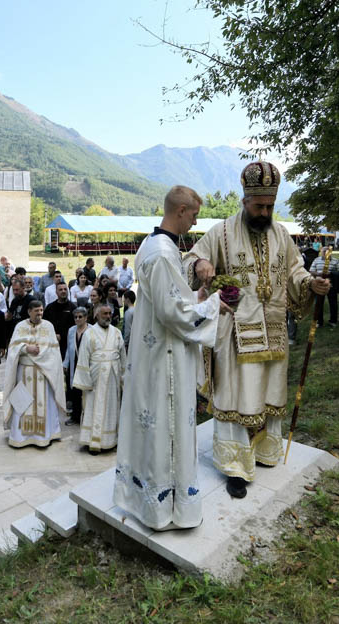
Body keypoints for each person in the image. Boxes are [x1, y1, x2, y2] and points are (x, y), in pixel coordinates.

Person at [186, 163, 329, 499]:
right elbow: (191, 257)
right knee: (239, 396)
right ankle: (235, 466)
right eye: (259, 206)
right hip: (236, 332)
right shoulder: (221, 232)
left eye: (270, 206)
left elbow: (294, 270)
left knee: (269, 393)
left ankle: (264, 452)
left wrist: (310, 283)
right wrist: (200, 265)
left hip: (275, 328)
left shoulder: (280, 234)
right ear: (245, 199)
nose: (265, 212)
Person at [114, 186, 222, 530]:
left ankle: (150, 499)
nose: (195, 221)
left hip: (153, 350)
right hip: (165, 358)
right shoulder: (162, 252)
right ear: (180, 210)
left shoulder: (152, 243)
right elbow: (172, 312)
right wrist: (215, 305)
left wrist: (196, 294)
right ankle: (164, 508)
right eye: (193, 215)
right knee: (166, 427)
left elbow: (169, 295)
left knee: (154, 426)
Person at [0, 298, 67, 448]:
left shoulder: (48, 326)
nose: (40, 314)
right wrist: (25, 348)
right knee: (23, 403)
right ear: (29, 311)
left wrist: (40, 354)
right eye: (36, 311)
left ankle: (47, 434)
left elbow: (54, 352)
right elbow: (13, 348)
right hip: (24, 372)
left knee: (45, 402)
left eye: (41, 311)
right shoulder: (20, 326)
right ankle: (21, 437)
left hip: (44, 372)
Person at [72, 303, 125, 453]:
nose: (108, 316)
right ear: (96, 315)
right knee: (93, 407)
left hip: (113, 378)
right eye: (104, 314)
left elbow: (123, 357)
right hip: (95, 379)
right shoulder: (89, 333)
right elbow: (83, 357)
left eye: (109, 313)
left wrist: (124, 377)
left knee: (112, 407)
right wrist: (85, 380)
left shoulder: (116, 333)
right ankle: (93, 441)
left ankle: (111, 440)